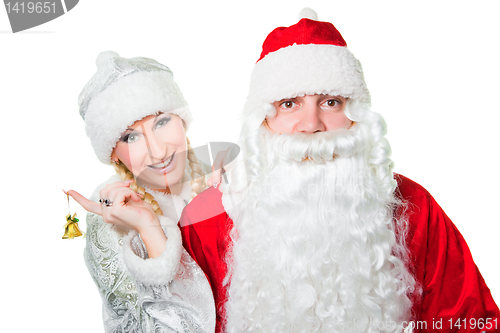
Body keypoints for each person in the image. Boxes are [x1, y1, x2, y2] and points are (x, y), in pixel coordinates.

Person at [180, 8, 500, 333]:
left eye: (330, 102)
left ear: (356, 115)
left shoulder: (414, 207)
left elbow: (471, 322)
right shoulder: (207, 217)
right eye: (289, 103)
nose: (311, 125)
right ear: (262, 120)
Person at [67, 51, 215, 332]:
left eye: (162, 122)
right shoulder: (109, 222)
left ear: (182, 120)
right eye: (131, 137)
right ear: (114, 154)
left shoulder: (221, 181)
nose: (158, 151)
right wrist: (148, 229)